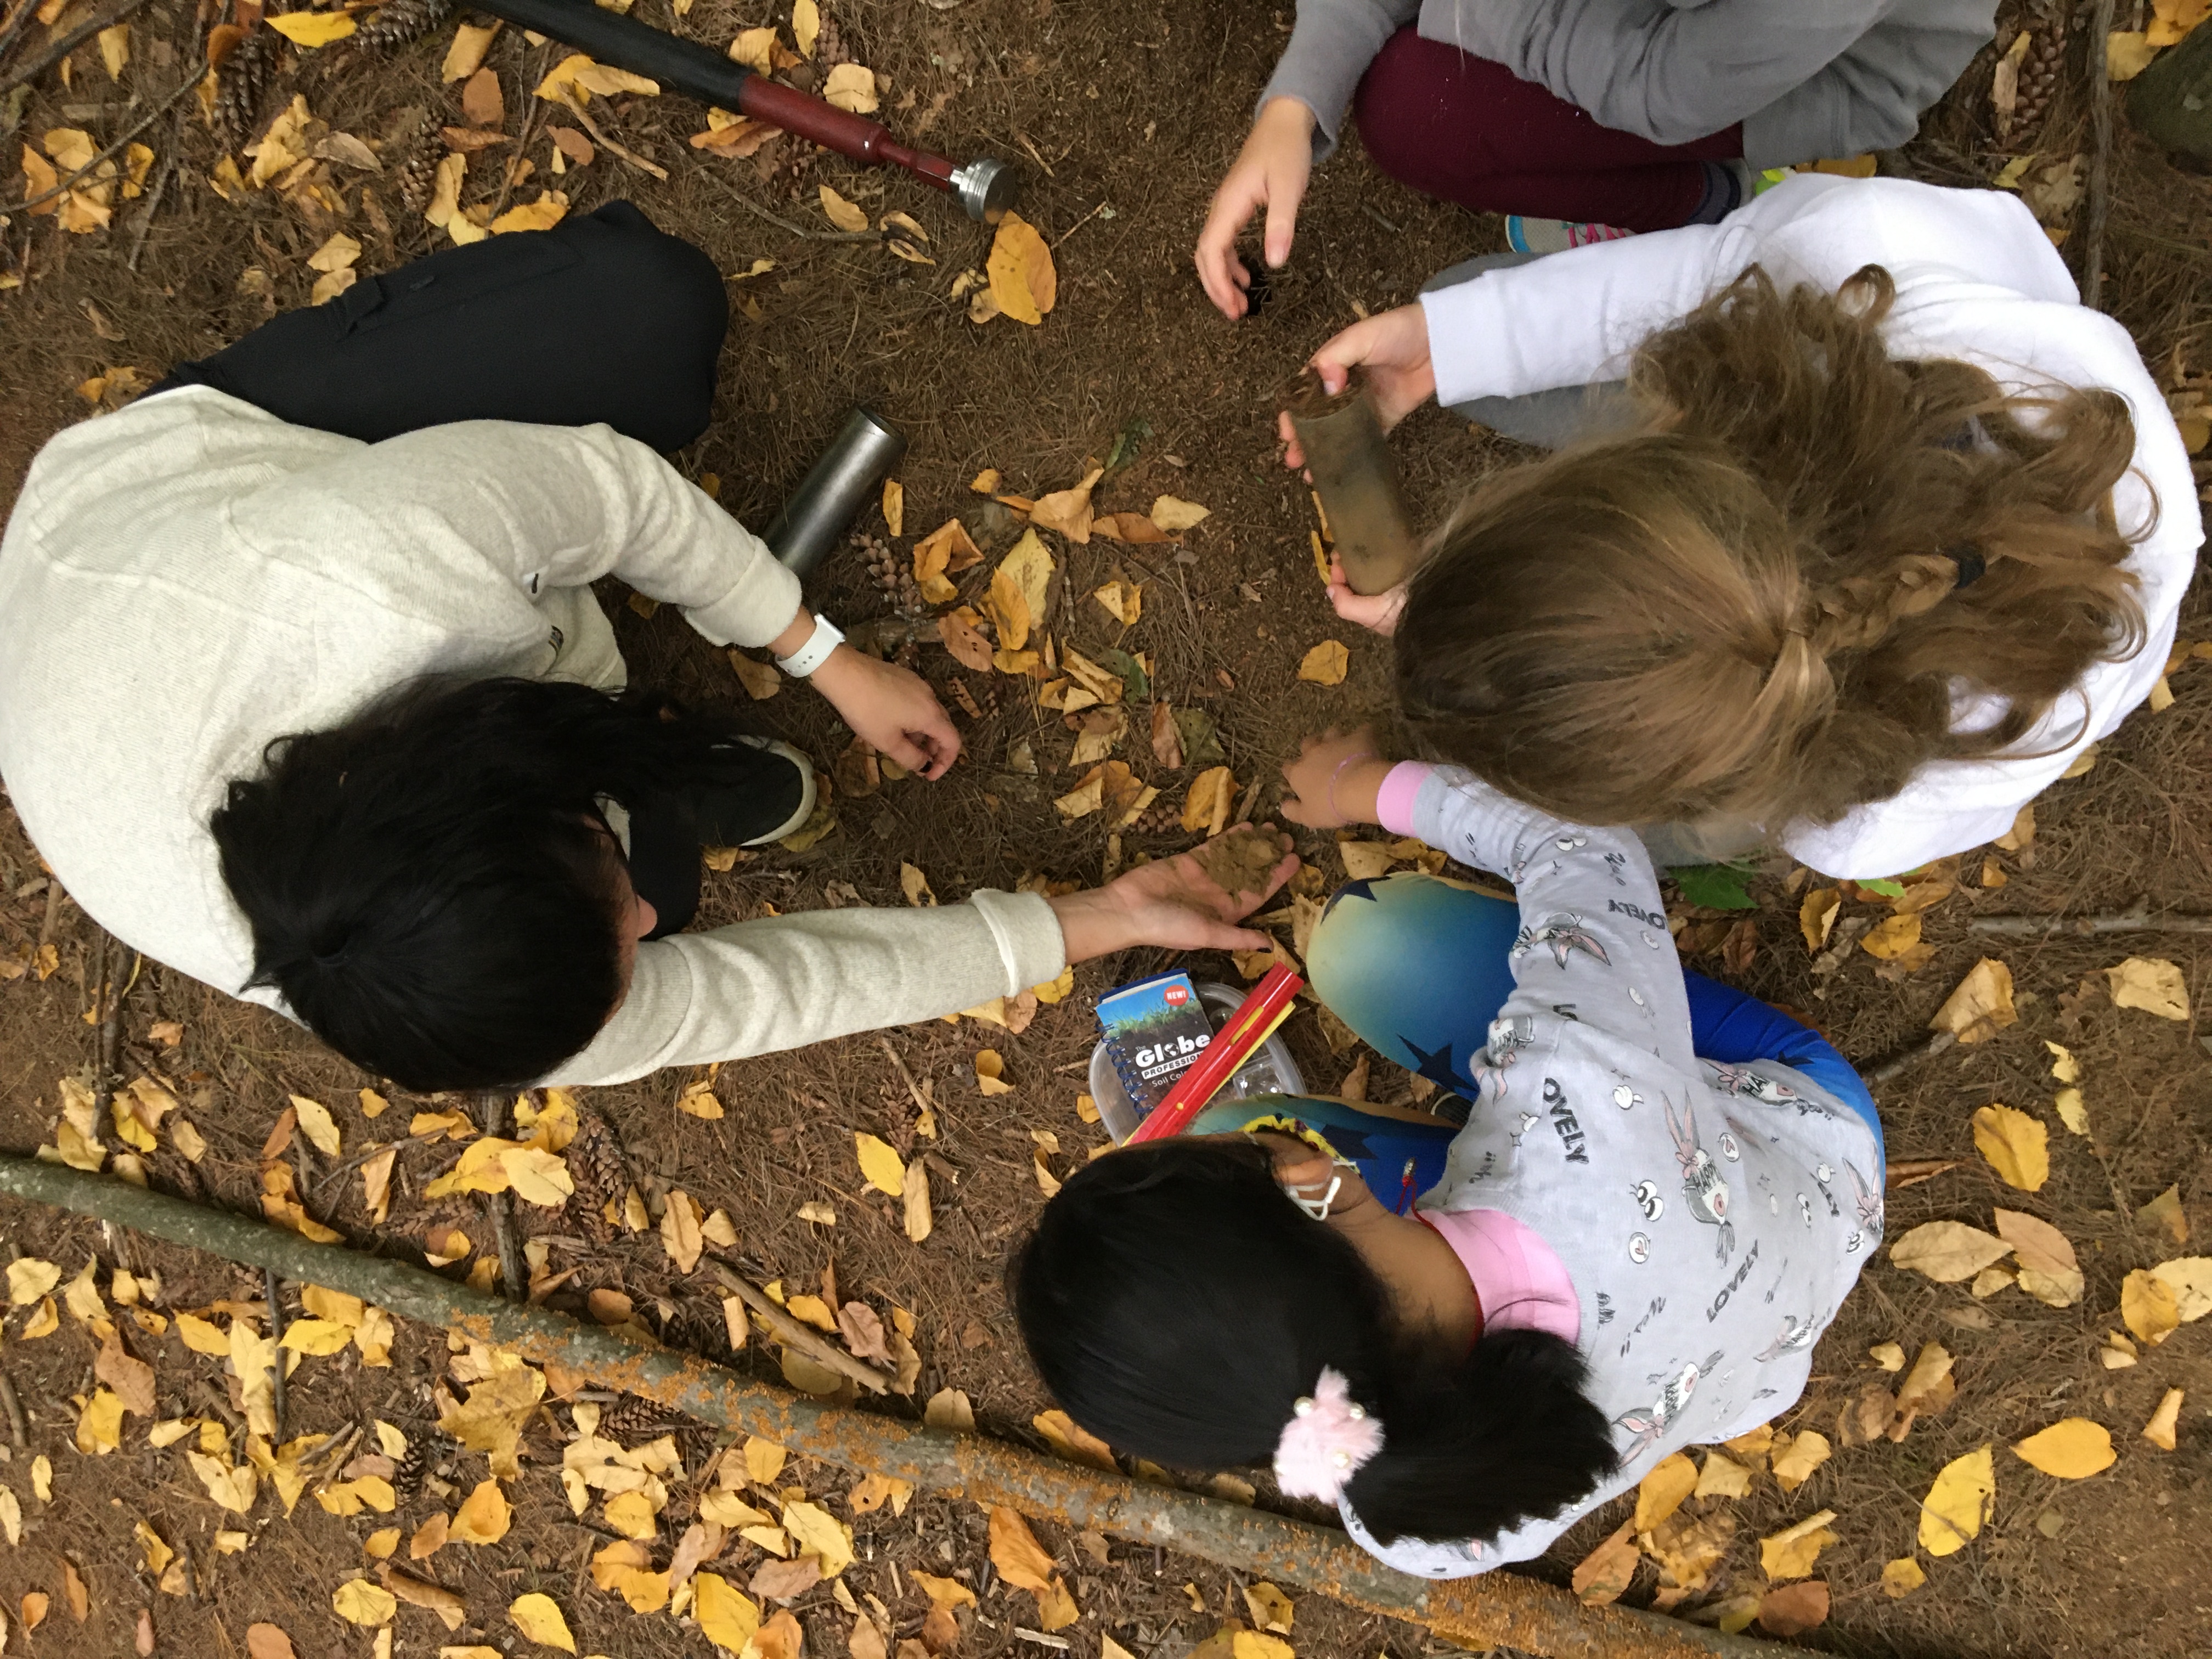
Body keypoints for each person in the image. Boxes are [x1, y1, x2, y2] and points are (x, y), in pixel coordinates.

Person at [0, 201, 1297, 1091]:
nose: (647, 925)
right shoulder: (423, 983)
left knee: (654, 316)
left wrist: (825, 657)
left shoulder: (375, 568)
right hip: (133, 695)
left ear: (495, 777)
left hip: (176, 486)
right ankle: (656, 760)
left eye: (602, 892)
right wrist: (1092, 921)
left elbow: (611, 492)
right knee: (661, 874)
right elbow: (754, 997)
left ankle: (627, 721)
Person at [1013, 747, 1885, 1575]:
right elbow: (1584, 844)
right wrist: (1361, 784)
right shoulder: (1573, 1076)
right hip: (1812, 1159)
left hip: (1744, 1366)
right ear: (1307, 1180)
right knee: (1371, 941)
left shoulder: (1413, 1516)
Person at [1278, 174, 2200, 878]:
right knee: (1464, 292)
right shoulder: (1851, 264)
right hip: (1822, 387)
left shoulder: (1871, 813)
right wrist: (1450, 343)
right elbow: (1704, 276)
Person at [1196, 0, 1997, 314]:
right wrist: (1295, 103)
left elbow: (1661, 89)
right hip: (1685, 51)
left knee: (1415, 109)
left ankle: (1704, 203)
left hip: (1807, 77)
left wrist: (1460, 10)